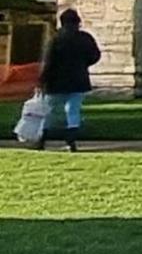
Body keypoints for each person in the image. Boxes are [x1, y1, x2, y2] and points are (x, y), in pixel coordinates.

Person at [36, 8, 101, 151]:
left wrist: (42, 80)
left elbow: (48, 61)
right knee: (73, 111)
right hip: (78, 79)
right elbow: (95, 55)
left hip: (56, 80)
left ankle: (42, 139)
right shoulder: (85, 38)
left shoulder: (56, 39)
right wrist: (84, 64)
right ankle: (71, 140)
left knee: (48, 111)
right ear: (78, 22)